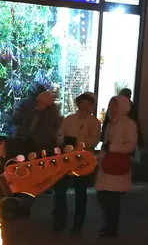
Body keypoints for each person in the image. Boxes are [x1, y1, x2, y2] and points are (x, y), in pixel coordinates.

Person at [5, 86, 60, 217]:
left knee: (31, 178)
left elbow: (50, 131)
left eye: (42, 103)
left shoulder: (50, 113)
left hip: (37, 148)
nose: (39, 104)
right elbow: (17, 120)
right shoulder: (30, 107)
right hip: (25, 144)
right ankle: (19, 204)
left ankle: (25, 207)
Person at [53, 92, 101, 234]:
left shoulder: (94, 122)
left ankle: (78, 224)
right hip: (67, 159)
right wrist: (65, 140)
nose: (85, 106)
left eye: (89, 103)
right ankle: (60, 220)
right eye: (82, 102)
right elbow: (59, 136)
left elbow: (95, 140)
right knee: (60, 190)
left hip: (84, 160)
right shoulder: (69, 119)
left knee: (81, 191)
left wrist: (78, 141)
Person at [94, 94, 138, 237]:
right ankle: (109, 225)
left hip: (117, 165)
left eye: (115, 105)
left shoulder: (128, 124)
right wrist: (98, 157)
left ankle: (112, 228)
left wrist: (113, 148)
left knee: (112, 198)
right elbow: (106, 146)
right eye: (110, 105)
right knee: (103, 195)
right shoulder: (110, 124)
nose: (111, 108)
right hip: (107, 164)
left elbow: (131, 145)